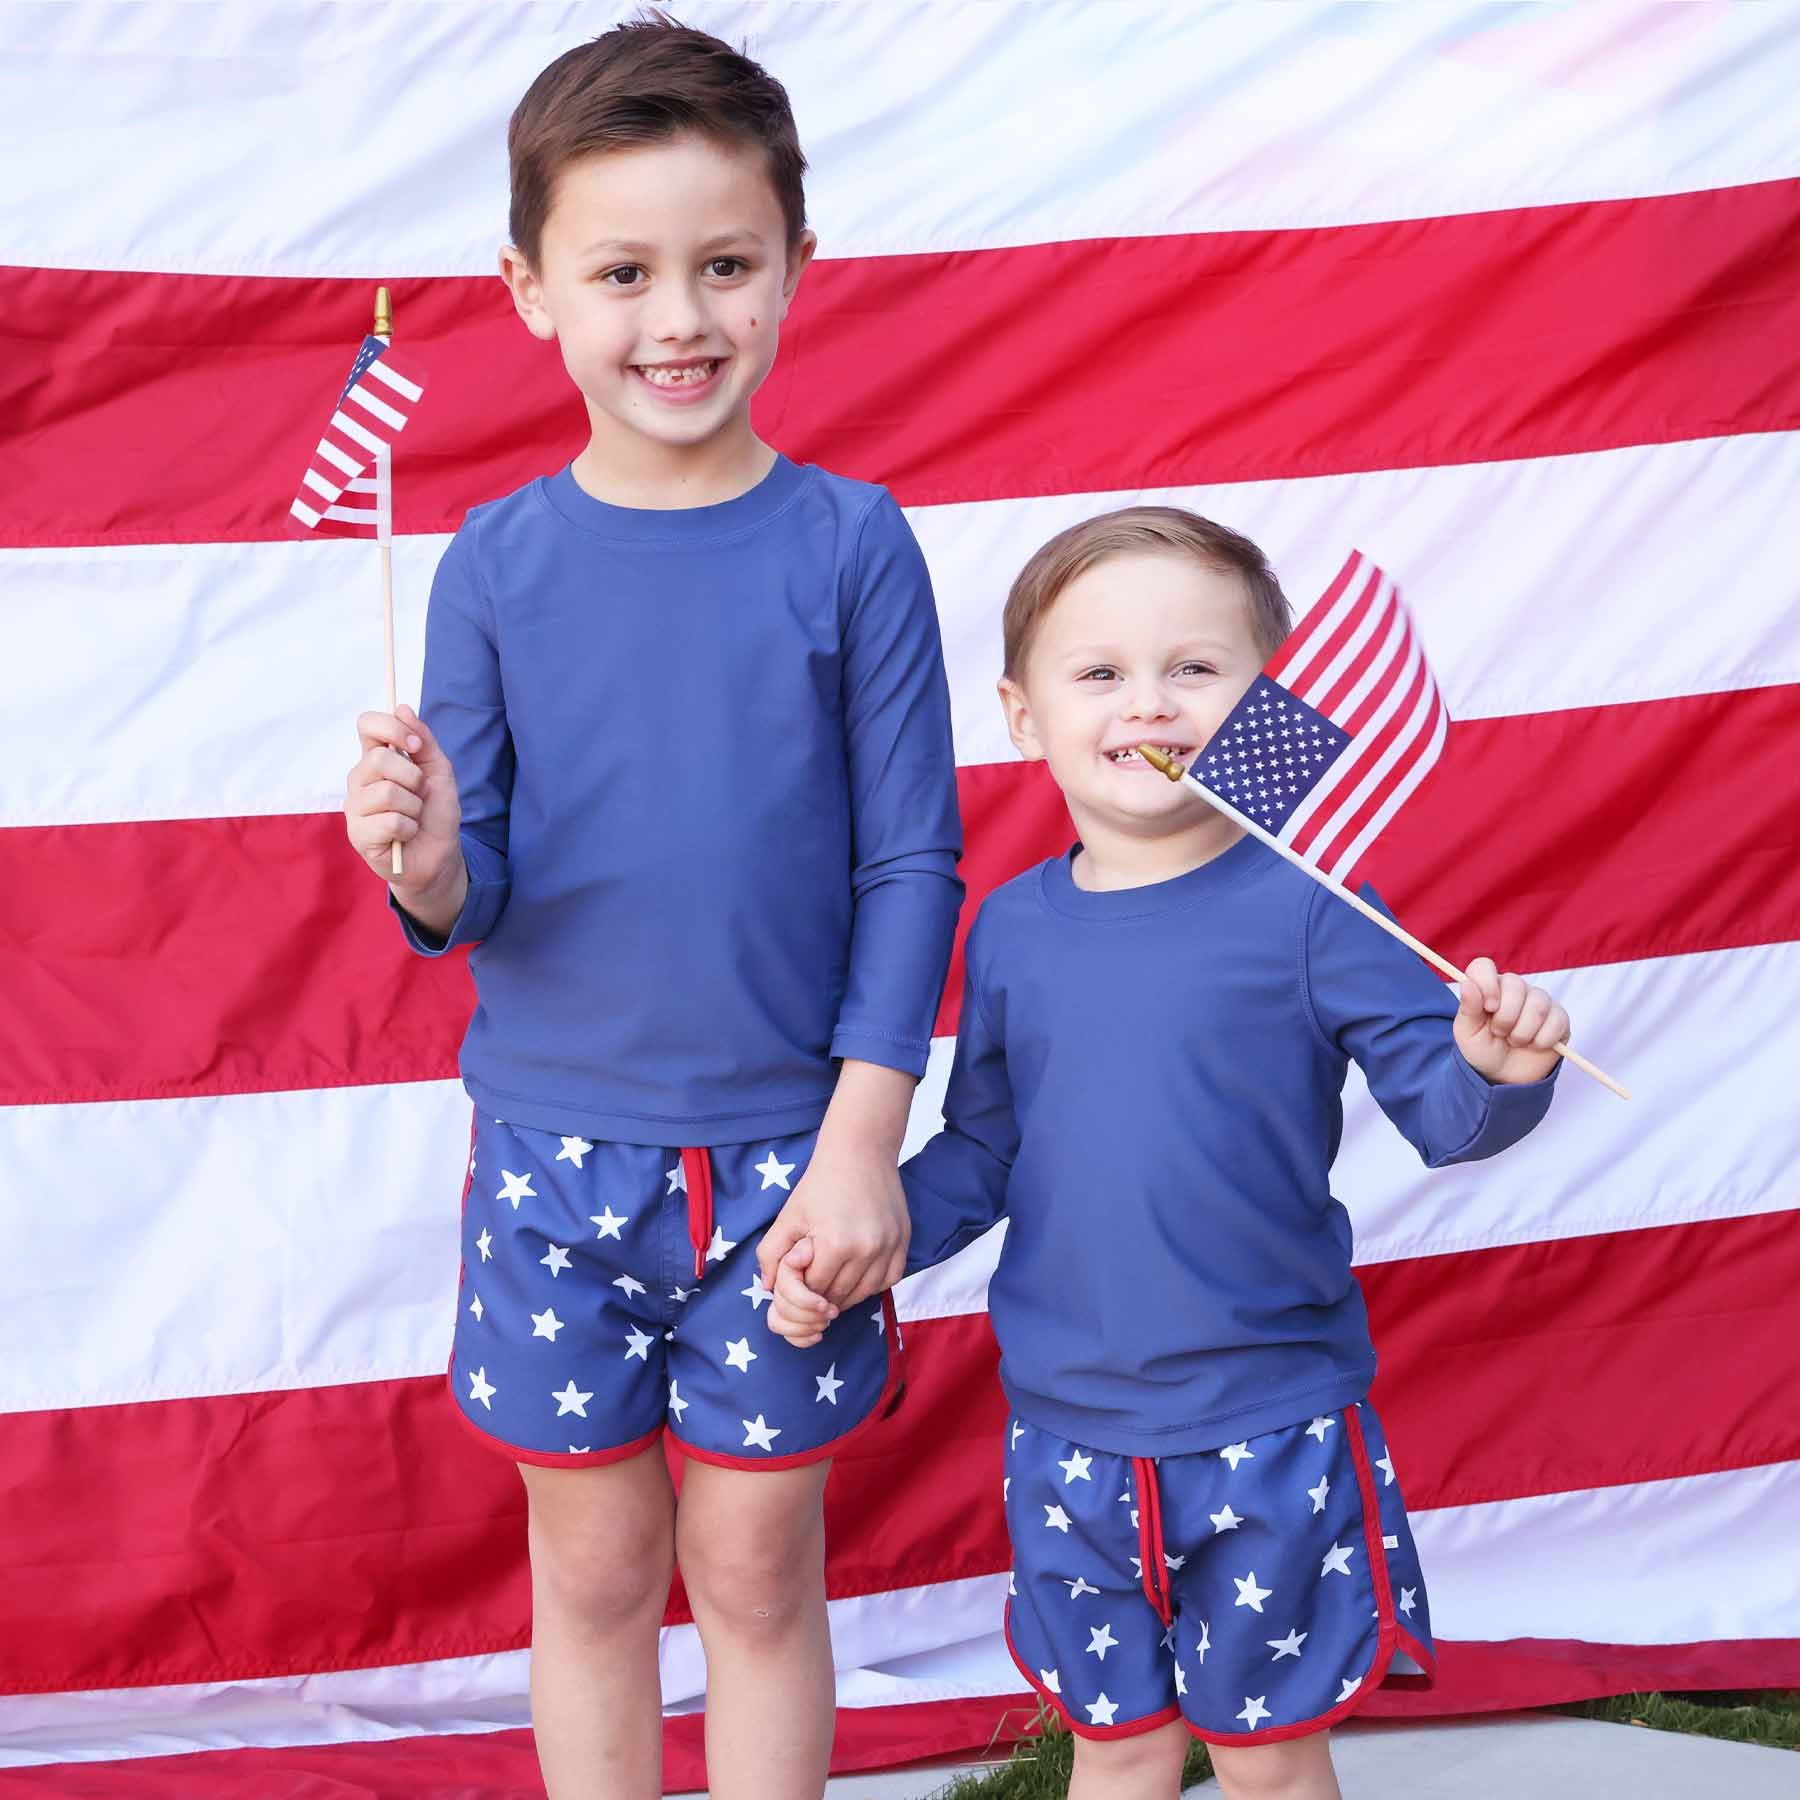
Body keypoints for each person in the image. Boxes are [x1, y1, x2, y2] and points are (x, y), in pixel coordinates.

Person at [341, 19, 962, 1798]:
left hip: (786, 1156)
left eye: (723, 265)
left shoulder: (853, 544)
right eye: (624, 271)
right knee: (597, 1568)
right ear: (531, 288)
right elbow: (477, 894)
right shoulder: (493, 565)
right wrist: (431, 861)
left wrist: (864, 1141)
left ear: (793, 269)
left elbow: (909, 863)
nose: (677, 315)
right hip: (558, 1161)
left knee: (758, 1566)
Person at [769, 507, 1566, 1800]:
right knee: (1122, 1748)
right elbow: (985, 1151)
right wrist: (869, 1231)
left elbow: (1444, 1114)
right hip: (1071, 1432)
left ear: (1267, 702)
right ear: (1025, 718)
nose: (1151, 702)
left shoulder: (1316, 905)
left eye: (1196, 668)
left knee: (1261, 1758)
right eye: (1100, 674)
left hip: (1267, 1424)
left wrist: (1495, 1070)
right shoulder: (1014, 932)